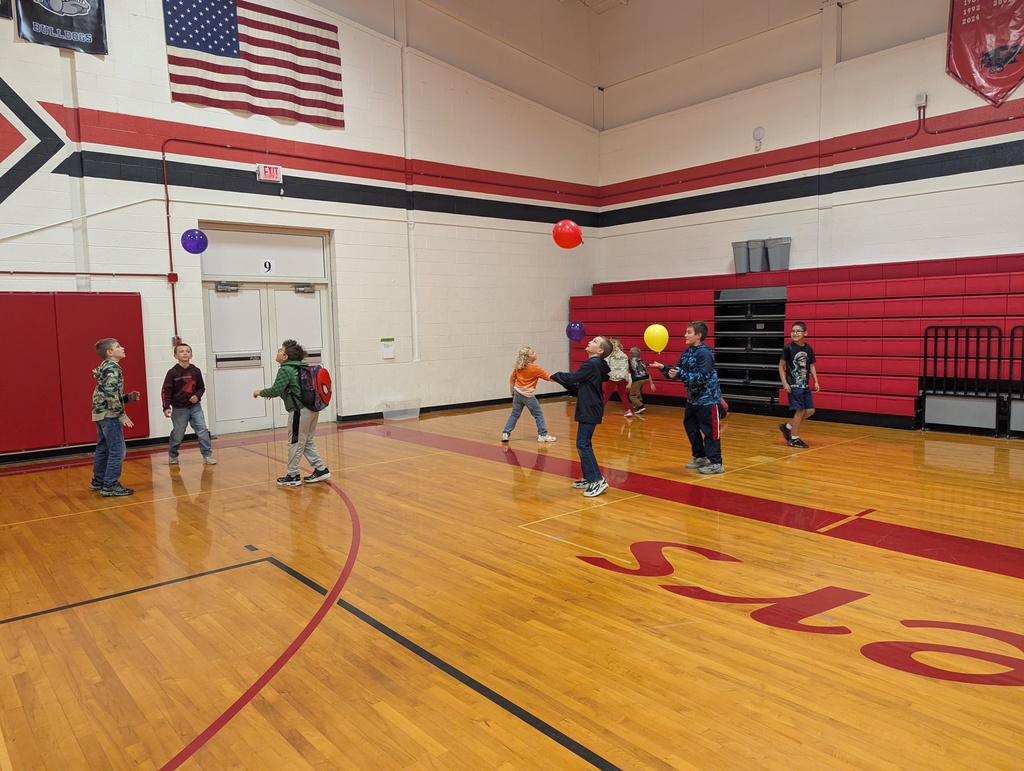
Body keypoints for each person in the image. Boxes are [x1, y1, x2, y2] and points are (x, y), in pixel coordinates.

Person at [253, 339, 330, 487]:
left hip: (299, 412)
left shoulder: (285, 369)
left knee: (295, 442)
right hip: (313, 409)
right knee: (307, 441)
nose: (278, 352)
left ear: (286, 357)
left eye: (280, 350)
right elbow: (291, 389)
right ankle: (321, 469)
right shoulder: (302, 368)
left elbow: (276, 390)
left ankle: (293, 475)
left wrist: (260, 392)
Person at [652, 320, 725, 474]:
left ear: (698, 335)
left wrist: (680, 374)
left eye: (689, 332)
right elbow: (677, 372)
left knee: (711, 431)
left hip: (708, 399)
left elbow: (702, 377)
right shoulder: (687, 352)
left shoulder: (705, 353)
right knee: (690, 427)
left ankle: (716, 463)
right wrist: (664, 368)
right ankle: (700, 456)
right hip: (693, 399)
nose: (685, 335)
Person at [550, 335, 612, 497]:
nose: (590, 341)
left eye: (595, 341)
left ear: (600, 350)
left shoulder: (592, 363)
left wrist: (557, 375)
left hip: (589, 408)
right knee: (584, 443)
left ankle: (597, 480)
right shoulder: (597, 365)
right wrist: (563, 381)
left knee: (583, 444)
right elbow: (577, 385)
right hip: (591, 407)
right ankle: (588, 476)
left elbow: (572, 378)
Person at [90, 338, 140, 497]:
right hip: (108, 414)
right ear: (110, 352)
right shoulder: (113, 368)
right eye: (118, 346)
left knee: (103, 448)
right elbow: (111, 394)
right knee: (117, 451)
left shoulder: (105, 367)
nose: (123, 348)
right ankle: (110, 484)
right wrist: (122, 415)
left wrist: (127, 398)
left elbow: (107, 394)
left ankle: (98, 480)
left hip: (100, 413)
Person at [162, 342, 216, 465]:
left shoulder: (196, 371)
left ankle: (207, 455)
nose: (185, 353)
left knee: (202, 429)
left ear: (191, 355)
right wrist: (166, 407)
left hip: (195, 407)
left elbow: (201, 388)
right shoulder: (172, 373)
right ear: (175, 356)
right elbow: (166, 390)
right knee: (178, 432)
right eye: (181, 351)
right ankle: (173, 454)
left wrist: (197, 396)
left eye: (187, 351)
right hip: (179, 408)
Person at [501, 345, 556, 443]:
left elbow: (512, 379)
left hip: (517, 394)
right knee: (538, 414)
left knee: (514, 414)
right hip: (528, 396)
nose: (535, 354)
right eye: (533, 353)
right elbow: (548, 377)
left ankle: (506, 433)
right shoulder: (535, 368)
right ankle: (542, 435)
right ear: (528, 357)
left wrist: (512, 391)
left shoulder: (519, 367)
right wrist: (563, 379)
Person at [778, 321, 820, 448]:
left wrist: (816, 381)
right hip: (794, 385)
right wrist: (785, 383)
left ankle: (788, 426)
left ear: (805, 333)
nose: (795, 333)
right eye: (793, 331)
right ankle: (794, 438)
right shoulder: (788, 348)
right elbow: (780, 366)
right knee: (800, 411)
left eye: (798, 331)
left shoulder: (808, 348)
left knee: (810, 410)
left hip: (805, 385)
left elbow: (811, 365)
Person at [602, 337, 633, 417]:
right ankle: (628, 410)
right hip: (623, 377)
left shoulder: (609, 354)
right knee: (622, 393)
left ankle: (599, 410)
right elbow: (626, 366)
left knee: (607, 394)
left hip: (613, 376)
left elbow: (605, 365)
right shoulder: (624, 355)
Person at [627, 346, 655, 413]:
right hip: (645, 378)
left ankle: (640, 406)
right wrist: (651, 383)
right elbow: (648, 372)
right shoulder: (642, 361)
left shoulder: (629, 361)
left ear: (630, 354)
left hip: (637, 379)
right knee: (638, 391)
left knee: (632, 395)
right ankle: (638, 403)